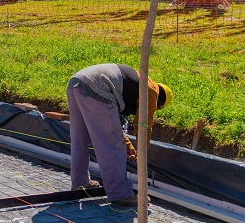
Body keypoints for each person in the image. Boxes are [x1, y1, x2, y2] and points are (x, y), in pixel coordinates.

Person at [66, 63, 172, 207]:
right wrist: (142, 153)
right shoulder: (152, 92)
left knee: (80, 139)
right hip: (96, 88)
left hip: (76, 83)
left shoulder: (137, 83)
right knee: (112, 145)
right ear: (160, 103)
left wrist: (128, 145)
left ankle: (80, 183)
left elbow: (112, 124)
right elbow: (143, 126)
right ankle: (120, 194)